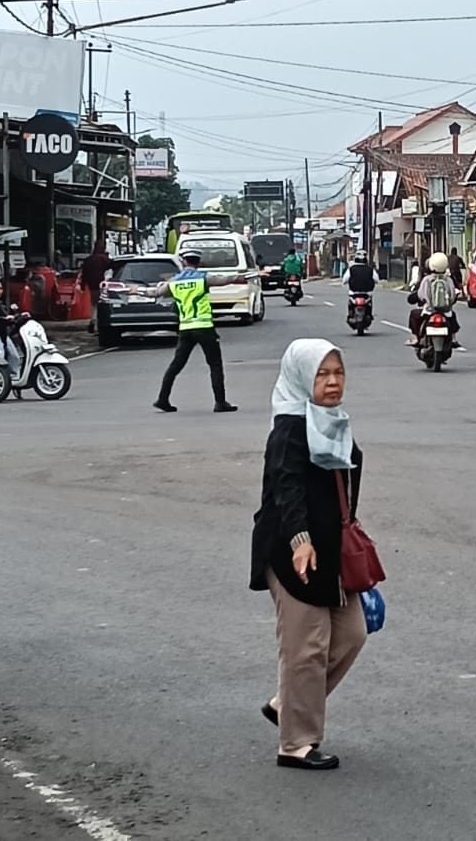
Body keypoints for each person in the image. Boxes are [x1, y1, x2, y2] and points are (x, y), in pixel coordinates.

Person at [250, 339, 366, 771]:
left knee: (352, 634)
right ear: (301, 378)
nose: (333, 382)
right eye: (322, 374)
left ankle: (288, 703)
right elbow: (286, 488)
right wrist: (301, 540)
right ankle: (296, 743)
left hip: (331, 552)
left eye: (338, 373)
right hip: (291, 552)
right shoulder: (289, 430)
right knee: (306, 648)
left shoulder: (332, 421)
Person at [147, 247, 245, 413]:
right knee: (215, 365)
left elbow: (155, 293)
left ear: (184, 262)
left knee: (176, 365)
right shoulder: (203, 278)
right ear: (198, 262)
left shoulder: (174, 282)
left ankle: (162, 399)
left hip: (186, 328)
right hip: (204, 327)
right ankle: (220, 402)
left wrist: (134, 291)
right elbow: (225, 279)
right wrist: (242, 277)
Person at [406, 252, 460, 348]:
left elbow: (421, 295)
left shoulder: (427, 280)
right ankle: (453, 338)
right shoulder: (449, 280)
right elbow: (452, 296)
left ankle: (415, 338)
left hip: (429, 311)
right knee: (452, 318)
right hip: (446, 312)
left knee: (414, 315)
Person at [341, 249, 380, 320]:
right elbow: (377, 280)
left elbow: (344, 280)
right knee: (369, 303)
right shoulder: (370, 269)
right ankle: (369, 314)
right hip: (367, 293)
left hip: (354, 293)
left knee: (351, 303)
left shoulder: (351, 269)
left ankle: (351, 315)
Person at [82, 244, 112, 332]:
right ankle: (99, 324)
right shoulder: (104, 259)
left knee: (94, 304)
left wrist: (83, 285)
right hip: (103, 286)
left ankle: (93, 320)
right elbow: (111, 268)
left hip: (92, 286)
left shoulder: (88, 260)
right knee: (102, 305)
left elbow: (84, 274)